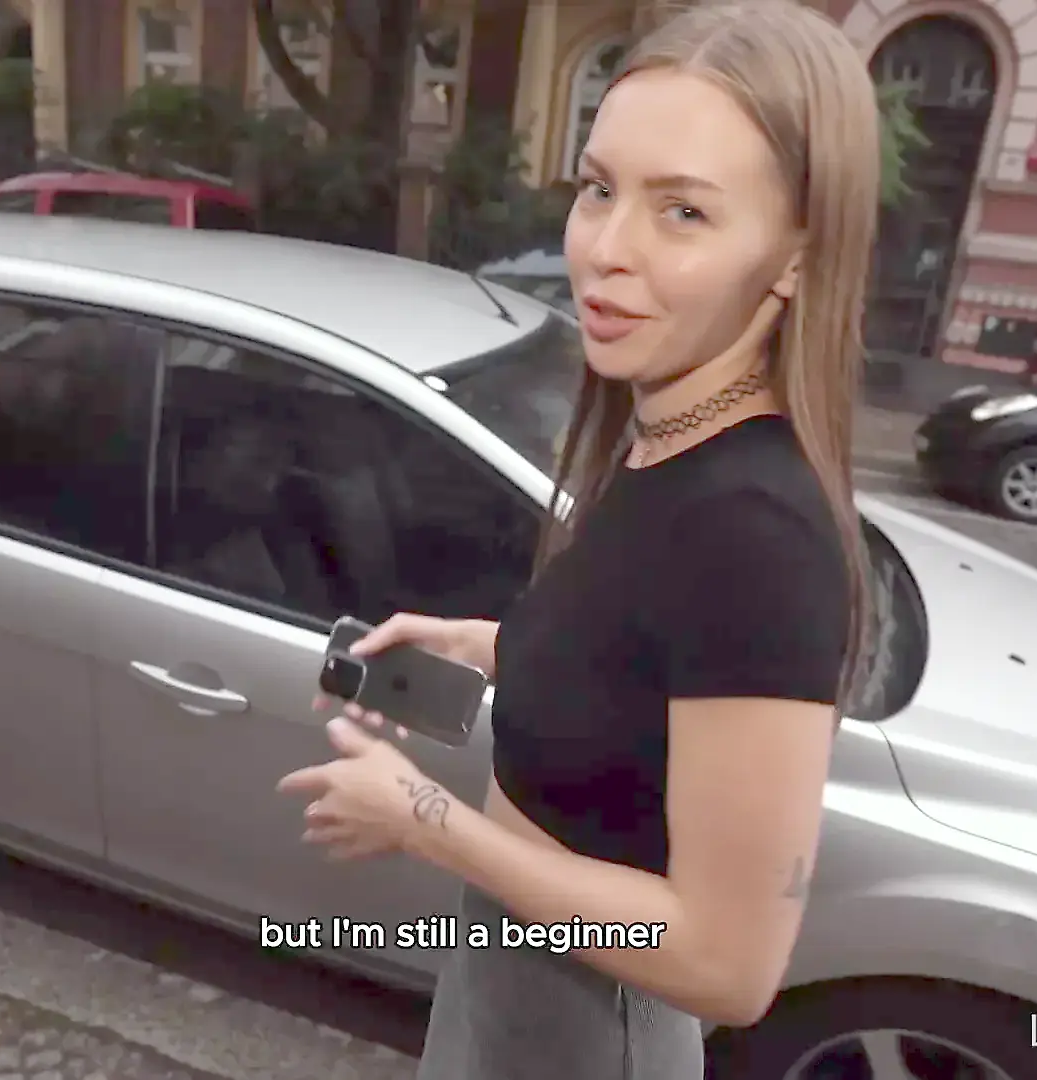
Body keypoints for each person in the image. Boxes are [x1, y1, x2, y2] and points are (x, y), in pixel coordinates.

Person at [274, 2, 879, 1076]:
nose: (605, 250)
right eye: (599, 189)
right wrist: (494, 648)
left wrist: (426, 820)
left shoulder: (759, 536)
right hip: (513, 1008)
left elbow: (727, 964)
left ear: (796, 254)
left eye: (682, 212)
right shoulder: (662, 437)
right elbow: (652, 667)